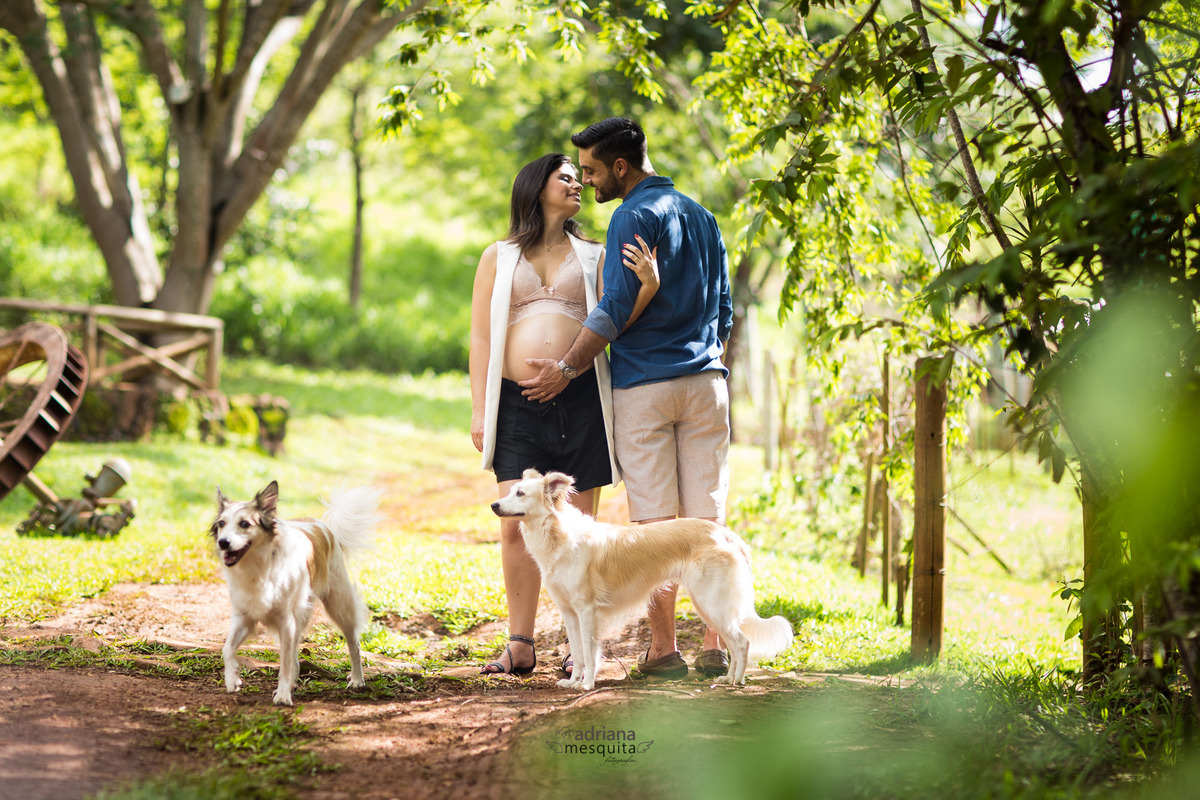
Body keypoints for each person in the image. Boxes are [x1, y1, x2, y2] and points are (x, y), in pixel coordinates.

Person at [520, 118, 733, 679]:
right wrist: (707, 360)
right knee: (708, 513)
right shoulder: (704, 217)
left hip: (645, 384)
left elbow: (615, 305)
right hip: (708, 383)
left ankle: (664, 651)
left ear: (620, 167)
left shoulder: (631, 216)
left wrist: (568, 367)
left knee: (656, 523)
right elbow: (726, 310)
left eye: (590, 170)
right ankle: (716, 643)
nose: (587, 182)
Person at [469, 153, 659, 675]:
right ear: (536, 187)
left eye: (580, 177)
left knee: (579, 530)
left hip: (581, 401)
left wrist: (647, 288)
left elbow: (617, 315)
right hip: (514, 403)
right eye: (566, 178)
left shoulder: (595, 254)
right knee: (513, 525)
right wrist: (479, 409)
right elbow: (482, 336)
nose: (578, 184)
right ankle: (521, 642)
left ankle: (582, 647)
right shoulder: (497, 257)